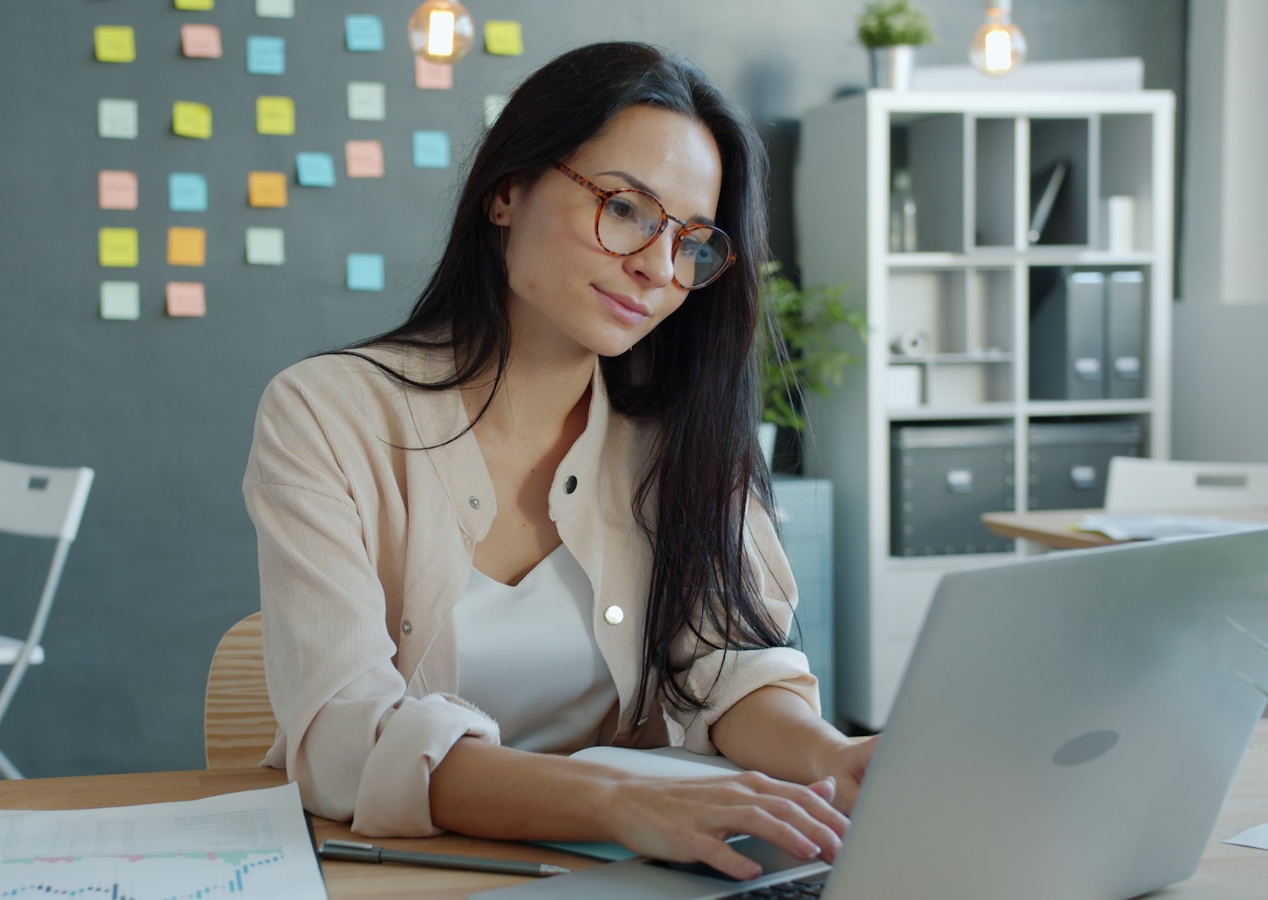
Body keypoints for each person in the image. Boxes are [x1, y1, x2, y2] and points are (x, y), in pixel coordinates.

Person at [243, 41, 875, 881]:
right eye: (626, 209)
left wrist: (833, 758)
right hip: (410, 878)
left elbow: (733, 669)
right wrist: (620, 800)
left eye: (691, 241)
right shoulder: (327, 413)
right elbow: (343, 737)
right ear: (507, 191)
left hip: (638, 874)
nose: (656, 266)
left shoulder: (681, 434)